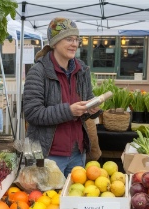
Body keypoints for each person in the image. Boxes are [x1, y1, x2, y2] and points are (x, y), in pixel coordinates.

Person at [23, 17, 101, 177]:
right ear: (55, 42)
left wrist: (91, 109)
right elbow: (32, 113)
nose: (75, 44)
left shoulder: (82, 70)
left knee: (74, 200)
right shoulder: (38, 72)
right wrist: (69, 111)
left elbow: (86, 102)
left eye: (77, 39)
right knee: (48, 201)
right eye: (69, 39)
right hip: (47, 155)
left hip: (78, 154)